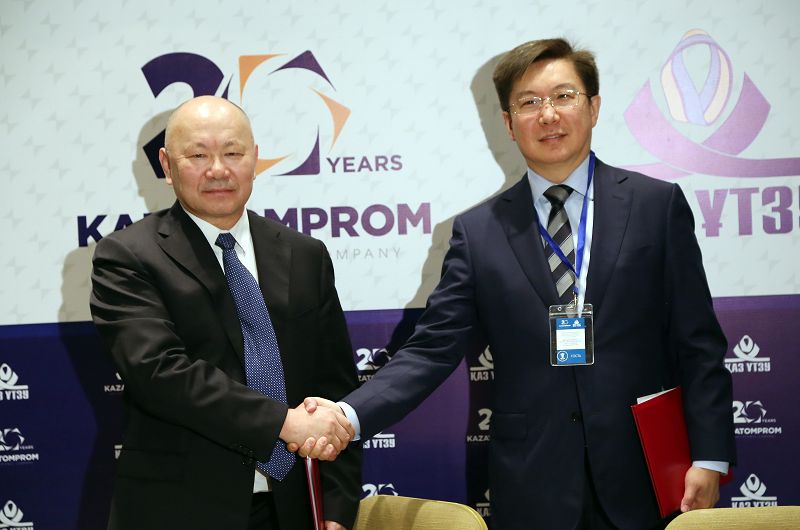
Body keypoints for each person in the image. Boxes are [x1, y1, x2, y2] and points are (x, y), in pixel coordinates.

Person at [296, 38, 735, 529]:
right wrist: (347, 416)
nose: (548, 114)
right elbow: (430, 350)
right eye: (529, 102)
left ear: (593, 107)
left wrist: (710, 455)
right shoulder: (478, 233)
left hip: (647, 475)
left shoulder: (656, 206)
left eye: (564, 96)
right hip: (533, 485)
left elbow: (698, 341)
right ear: (508, 123)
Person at [90, 96, 361, 530]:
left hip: (293, 511)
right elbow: (159, 372)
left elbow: (336, 388)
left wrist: (337, 509)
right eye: (198, 155)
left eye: (233, 153)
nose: (218, 169)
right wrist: (281, 422)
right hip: (179, 511)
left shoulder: (305, 255)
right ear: (167, 164)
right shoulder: (127, 256)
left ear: (255, 159)